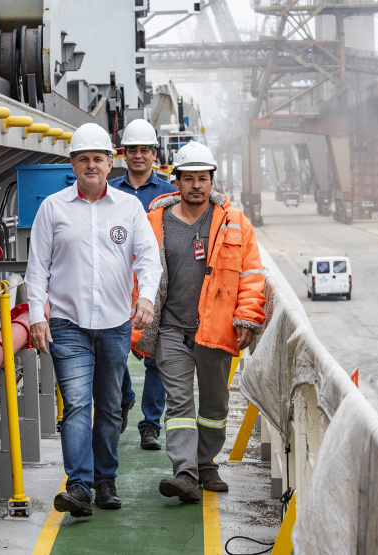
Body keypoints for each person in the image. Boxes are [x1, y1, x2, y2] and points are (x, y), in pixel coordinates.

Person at [25, 123, 162, 517]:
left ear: (109, 162)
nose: (91, 165)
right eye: (83, 159)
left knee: (110, 407)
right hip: (68, 325)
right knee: (77, 406)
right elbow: (37, 269)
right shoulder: (53, 208)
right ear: (72, 164)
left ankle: (106, 481)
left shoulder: (128, 208)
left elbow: (148, 259)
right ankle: (80, 486)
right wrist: (38, 317)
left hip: (116, 324)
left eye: (97, 159)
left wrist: (147, 298)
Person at [130, 142, 266, 503]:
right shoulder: (155, 222)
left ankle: (207, 464)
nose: (196, 186)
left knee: (215, 405)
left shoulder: (234, 222)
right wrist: (140, 324)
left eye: (202, 179)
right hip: (172, 330)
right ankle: (185, 473)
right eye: (188, 178)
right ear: (176, 181)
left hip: (217, 327)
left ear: (211, 181)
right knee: (178, 405)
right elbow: (138, 273)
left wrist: (247, 318)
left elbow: (252, 275)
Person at [107, 119, 177, 451]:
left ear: (154, 153)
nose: (138, 156)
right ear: (123, 154)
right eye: (132, 150)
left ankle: (150, 425)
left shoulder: (169, 194)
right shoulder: (109, 191)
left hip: (157, 286)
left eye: (144, 150)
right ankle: (124, 398)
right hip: (116, 284)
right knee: (113, 353)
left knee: (156, 358)